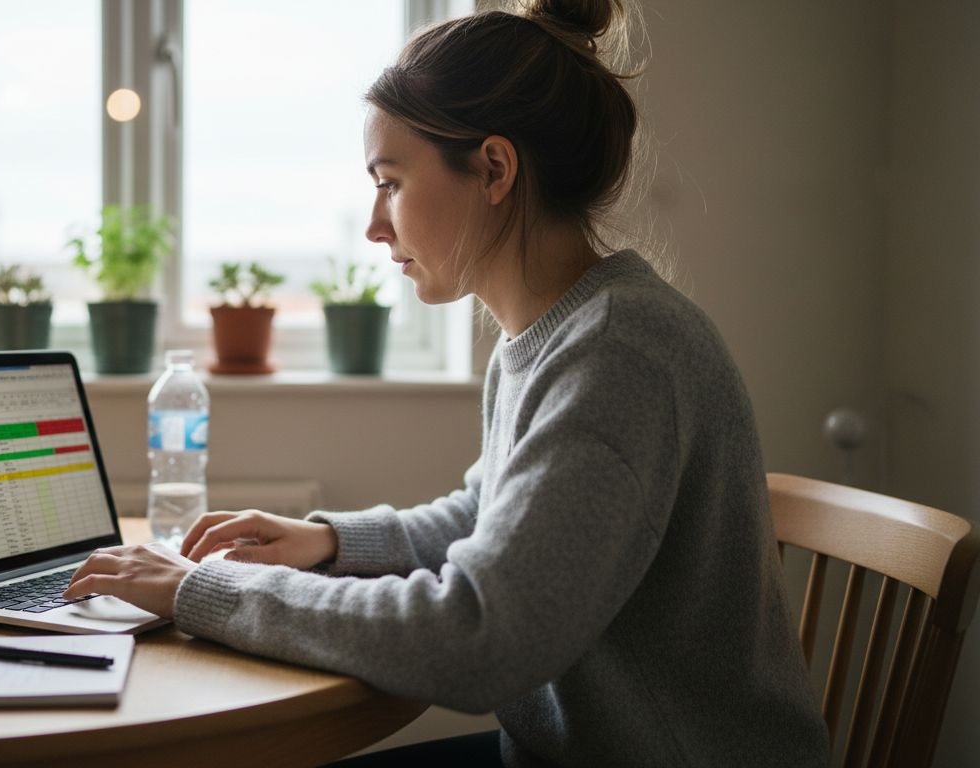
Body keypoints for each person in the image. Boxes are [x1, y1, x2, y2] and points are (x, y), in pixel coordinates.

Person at [64, 1, 829, 765]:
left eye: (390, 182)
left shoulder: (618, 352)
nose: (374, 223)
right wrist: (331, 541)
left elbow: (477, 636)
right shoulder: (555, 334)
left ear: (494, 168)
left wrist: (200, 593)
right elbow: (490, 511)